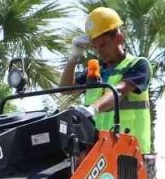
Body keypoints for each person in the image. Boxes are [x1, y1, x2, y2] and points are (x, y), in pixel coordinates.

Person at [59, 7, 153, 156]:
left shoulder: (139, 65)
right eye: (95, 46)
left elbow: (120, 90)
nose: (99, 51)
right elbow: (65, 91)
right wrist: (74, 57)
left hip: (131, 153)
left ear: (119, 39)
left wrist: (92, 109)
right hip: (98, 153)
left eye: (103, 45)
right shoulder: (95, 70)